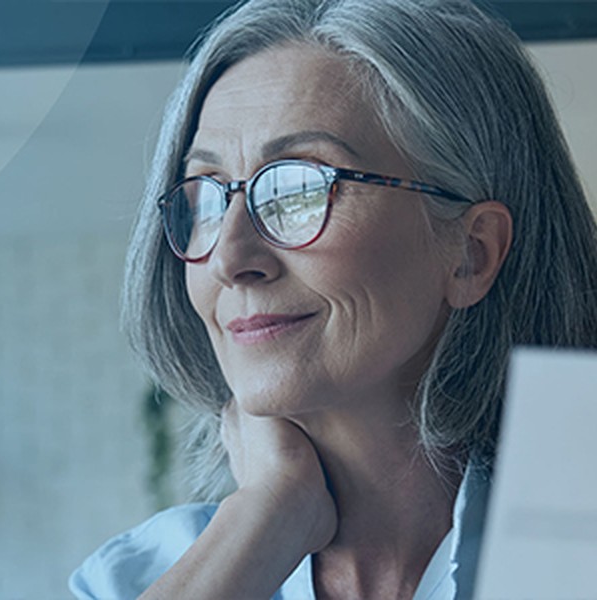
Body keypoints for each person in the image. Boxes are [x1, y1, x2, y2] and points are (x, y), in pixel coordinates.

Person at [69, 0, 597, 598]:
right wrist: (266, 516)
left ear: (472, 252)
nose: (230, 259)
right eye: (208, 196)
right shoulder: (129, 580)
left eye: (299, 188)